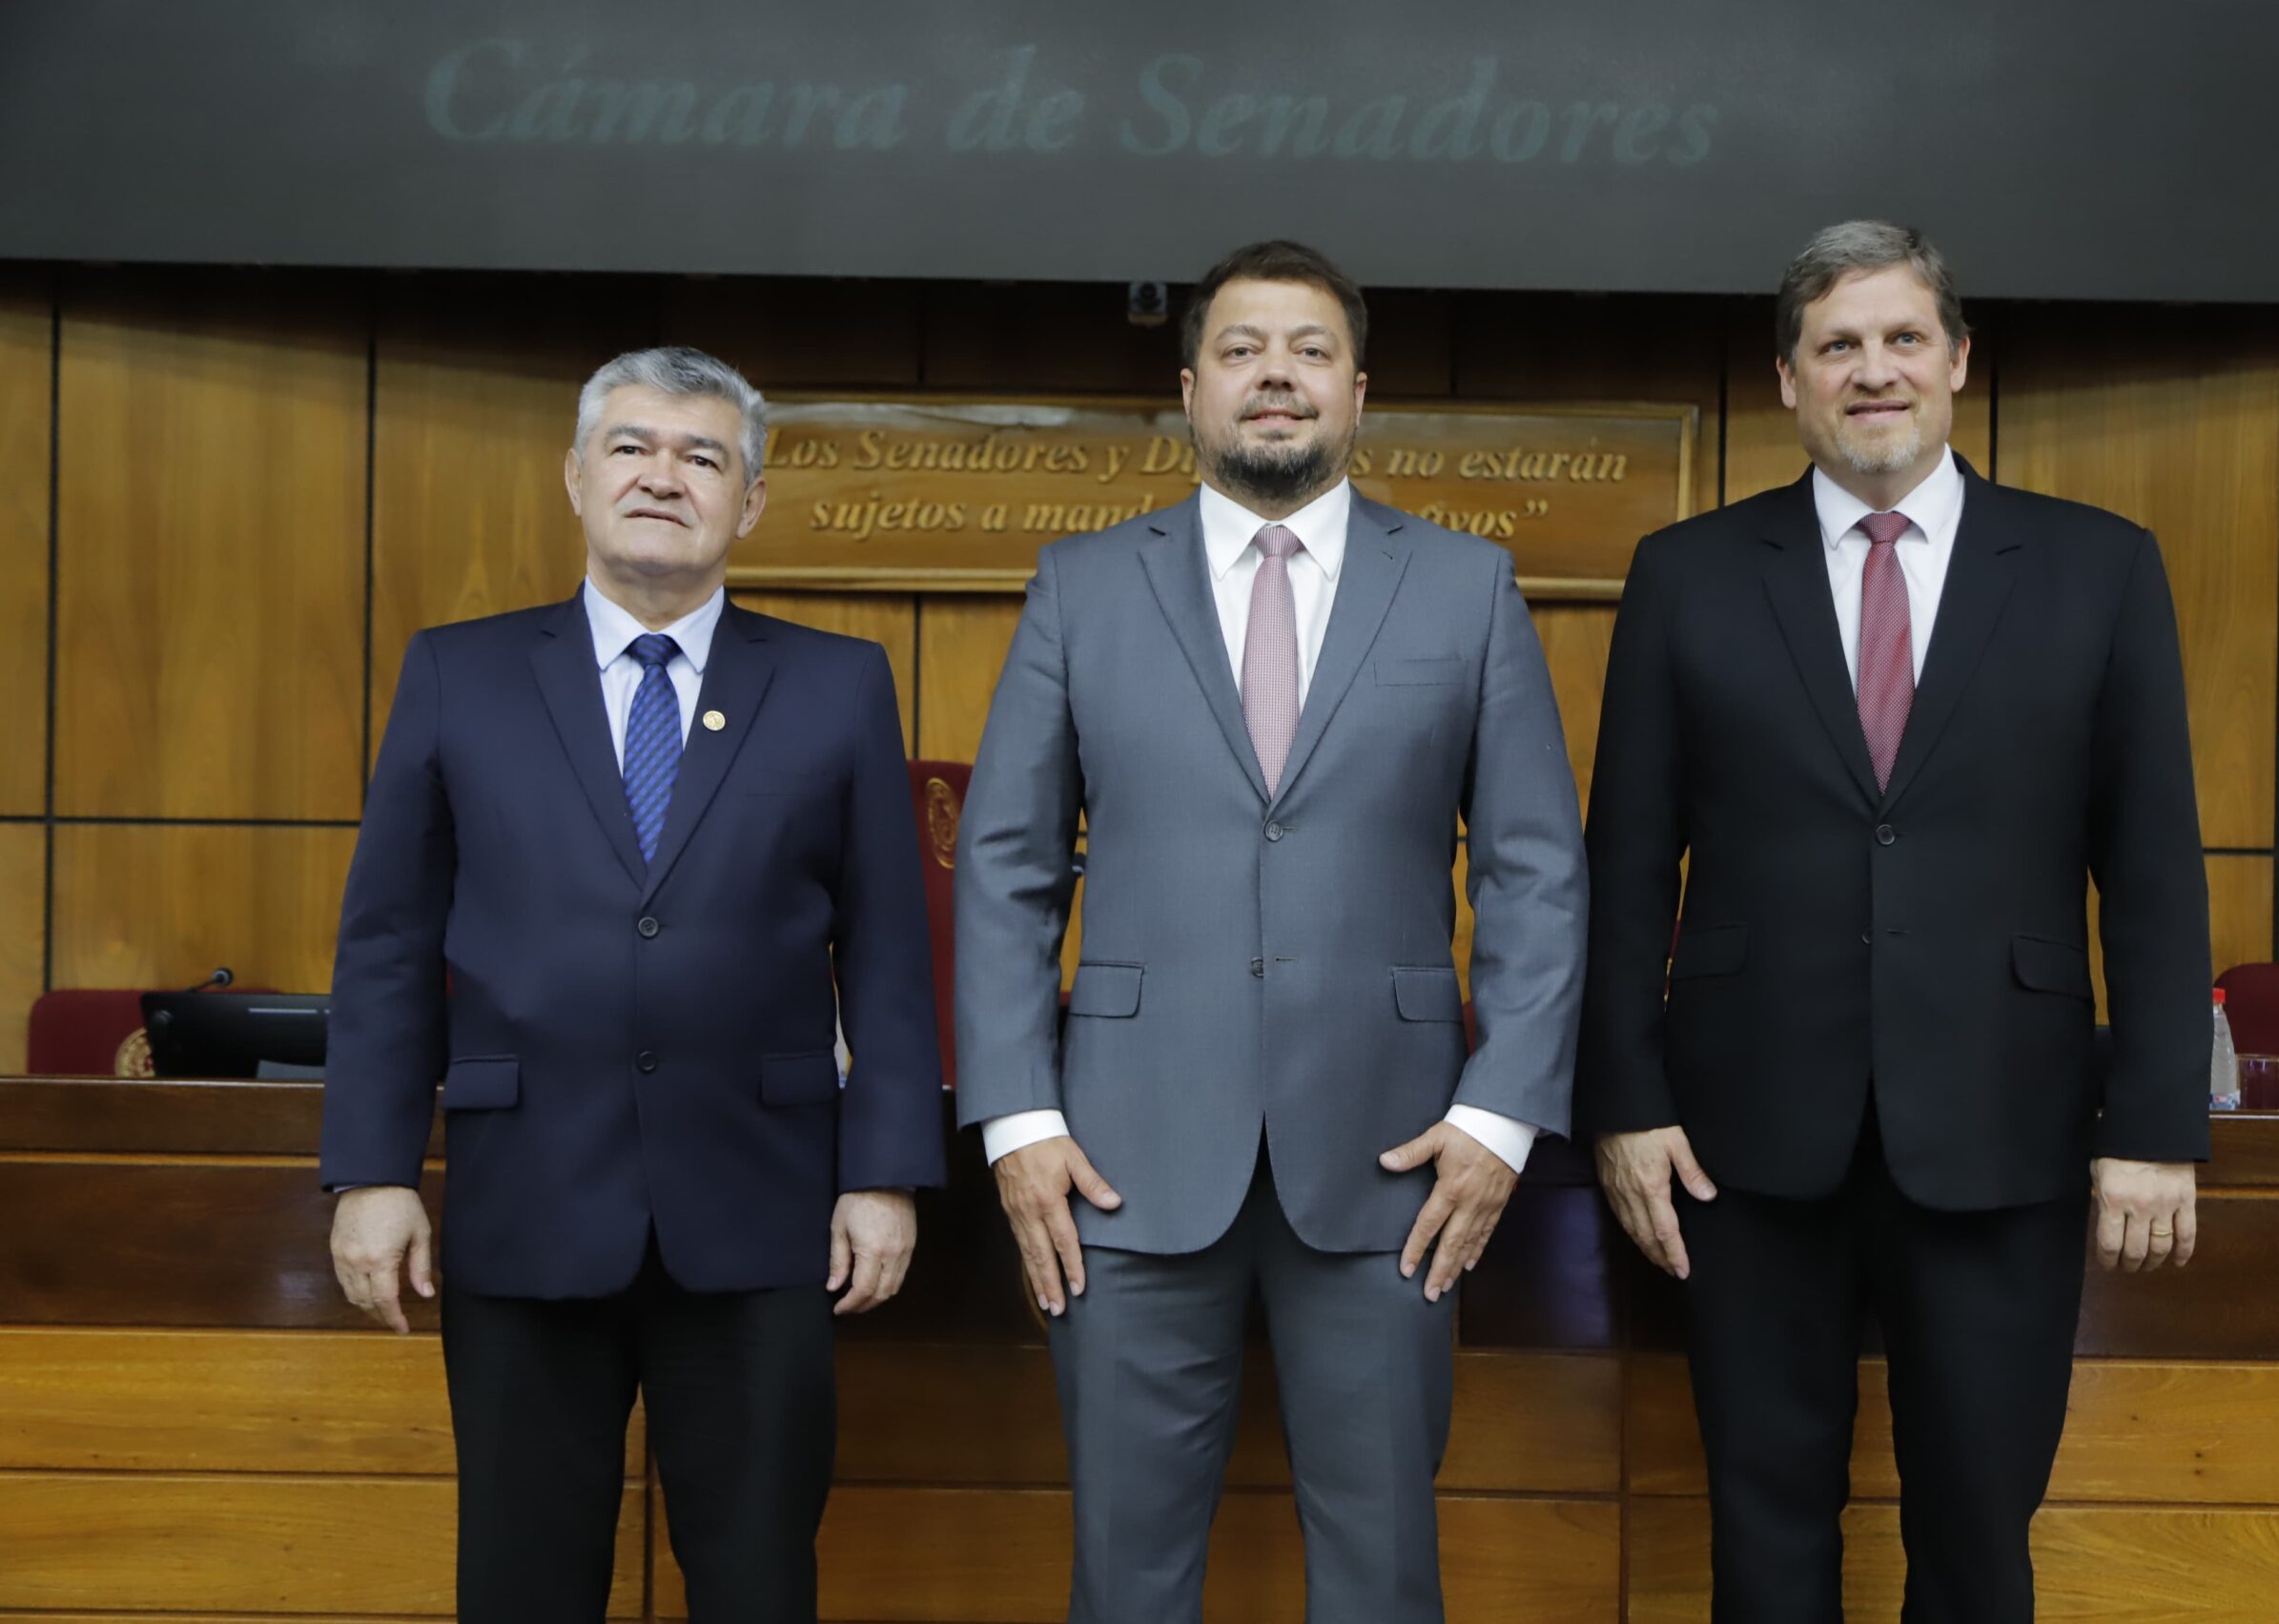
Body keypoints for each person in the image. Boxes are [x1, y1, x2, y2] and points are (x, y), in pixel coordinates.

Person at [1577, 220, 2212, 1621]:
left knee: (1981, 1536)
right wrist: (1620, 1098)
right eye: (1839, 346)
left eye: (1903, 339)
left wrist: (2158, 1124)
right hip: (1738, 1146)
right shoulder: (1687, 572)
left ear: (1960, 362)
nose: (1875, 371)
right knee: (1763, 1533)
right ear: (1788, 382)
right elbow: (1624, 864)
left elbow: (2153, 866)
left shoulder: (2098, 569)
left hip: (2007, 1127)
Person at [955, 240, 1588, 1622]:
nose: (1277, 377)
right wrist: (1015, 1118)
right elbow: (1006, 866)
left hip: (1397, 1170)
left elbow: (1538, 870)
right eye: (1243, 350)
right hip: (1113, 1169)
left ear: (1359, 391)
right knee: (1127, 1578)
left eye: (1308, 350)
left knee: (1381, 1577)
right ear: (1191, 389)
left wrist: (1502, 1113)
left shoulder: (1468, 590)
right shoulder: (1082, 585)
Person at [319, 345, 946, 1623]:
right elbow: (389, 945)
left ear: (750, 504)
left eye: (703, 456)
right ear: (575, 476)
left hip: (764, 1209)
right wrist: (372, 1172)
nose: (664, 477)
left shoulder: (836, 685)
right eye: (632, 447)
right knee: (524, 1582)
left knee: (757, 1582)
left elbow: (887, 945)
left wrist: (883, 1173)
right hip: (526, 1196)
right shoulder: (458, 673)